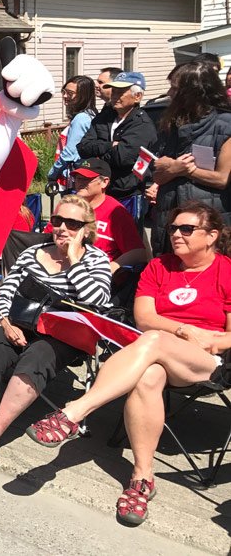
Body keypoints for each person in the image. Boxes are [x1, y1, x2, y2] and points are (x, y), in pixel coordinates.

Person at [26, 200, 231, 526]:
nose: (176, 234)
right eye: (173, 228)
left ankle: (74, 413)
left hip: (209, 360)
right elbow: (144, 317)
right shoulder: (159, 267)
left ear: (212, 236)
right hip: (157, 356)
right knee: (149, 374)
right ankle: (141, 478)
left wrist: (211, 340)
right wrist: (179, 330)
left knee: (152, 342)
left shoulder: (226, 271)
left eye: (187, 229)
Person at [0, 195, 112, 489]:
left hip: (61, 335)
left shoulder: (96, 260)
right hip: (17, 322)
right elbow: (4, 291)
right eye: (58, 220)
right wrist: (4, 320)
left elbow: (97, 302)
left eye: (73, 223)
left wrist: (74, 261)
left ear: (86, 229)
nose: (62, 227)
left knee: (38, 356)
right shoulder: (34, 252)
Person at [149, 62, 231, 256]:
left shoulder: (225, 125)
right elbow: (158, 175)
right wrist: (173, 168)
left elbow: (222, 179)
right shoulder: (172, 126)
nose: (169, 93)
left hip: (207, 219)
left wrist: (186, 170)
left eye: (175, 88)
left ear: (195, 92)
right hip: (170, 215)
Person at [77, 71, 157, 217]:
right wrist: (110, 145)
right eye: (114, 91)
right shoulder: (104, 117)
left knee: (124, 235)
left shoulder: (142, 124)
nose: (115, 96)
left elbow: (122, 157)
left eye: (121, 92)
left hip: (127, 194)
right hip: (99, 190)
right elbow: (83, 147)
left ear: (137, 96)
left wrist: (98, 155)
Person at [45, 158, 147, 272]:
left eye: (87, 179)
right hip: (58, 268)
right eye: (78, 178)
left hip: (95, 274)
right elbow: (46, 239)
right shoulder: (66, 205)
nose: (80, 183)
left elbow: (138, 253)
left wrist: (106, 270)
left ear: (104, 182)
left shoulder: (116, 212)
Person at [47, 75, 98, 187]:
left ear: (83, 96)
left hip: (75, 179)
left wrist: (52, 174)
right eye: (64, 92)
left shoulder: (81, 118)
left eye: (70, 93)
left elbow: (70, 152)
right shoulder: (91, 114)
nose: (65, 96)